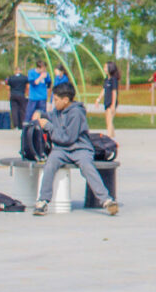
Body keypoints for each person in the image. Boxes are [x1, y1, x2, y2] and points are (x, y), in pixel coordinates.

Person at [31, 82, 118, 217]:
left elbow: (68, 138)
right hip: (61, 150)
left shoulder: (76, 113)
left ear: (66, 100)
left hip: (80, 148)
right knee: (50, 164)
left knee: (87, 166)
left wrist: (49, 127)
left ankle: (106, 200)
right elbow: (50, 116)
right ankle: (42, 201)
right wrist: (39, 114)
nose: (54, 103)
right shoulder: (57, 112)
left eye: (56, 100)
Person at [5, 64, 29, 130]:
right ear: (20, 71)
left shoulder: (11, 78)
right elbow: (28, 87)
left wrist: (9, 95)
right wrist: (27, 93)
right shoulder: (24, 78)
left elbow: (8, 87)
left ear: (15, 71)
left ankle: (15, 125)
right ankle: (22, 124)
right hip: (21, 95)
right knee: (22, 110)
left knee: (14, 110)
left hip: (13, 95)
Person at [101, 61, 120, 139]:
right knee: (108, 121)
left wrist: (113, 104)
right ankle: (113, 136)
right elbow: (103, 90)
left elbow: (114, 92)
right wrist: (98, 99)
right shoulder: (106, 80)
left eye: (106, 67)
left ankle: (108, 138)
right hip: (106, 101)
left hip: (111, 102)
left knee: (109, 121)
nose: (104, 69)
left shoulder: (113, 80)